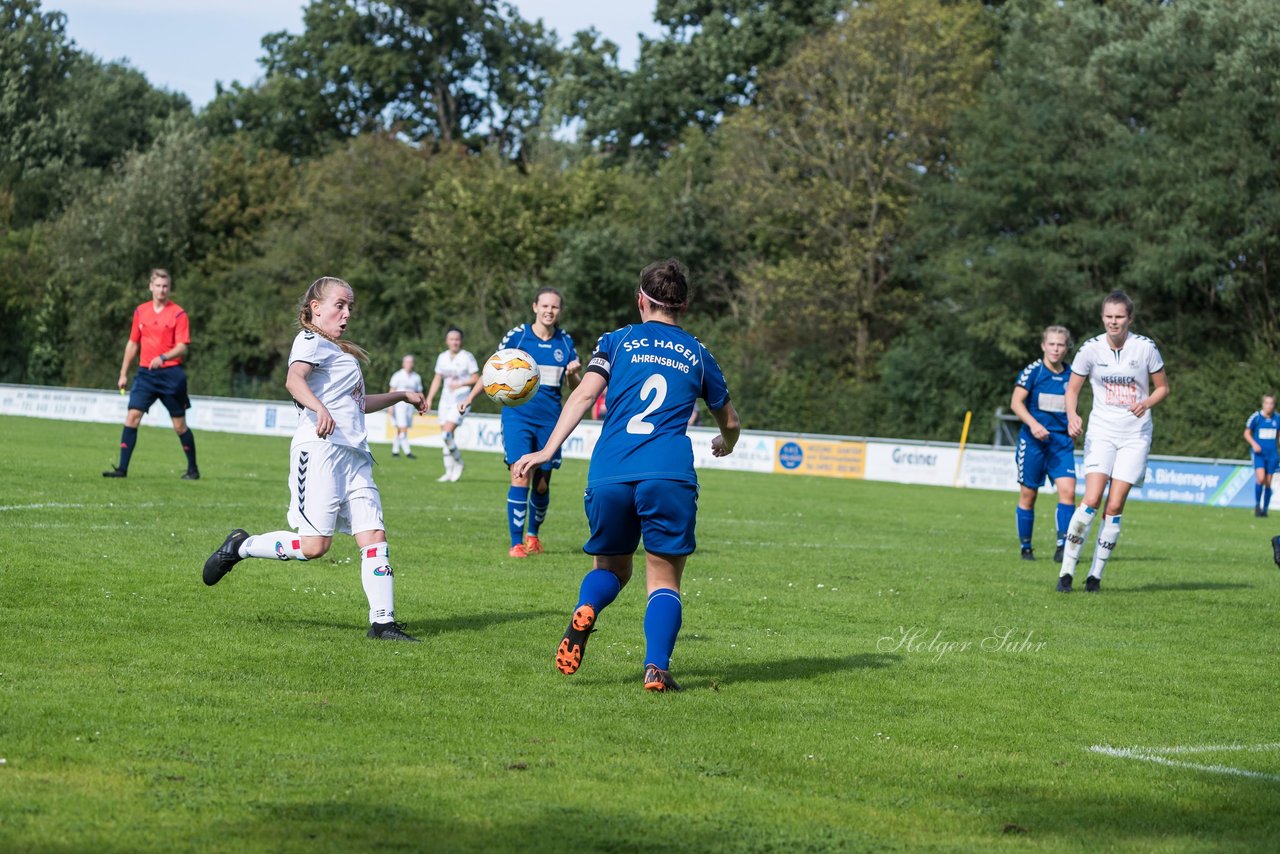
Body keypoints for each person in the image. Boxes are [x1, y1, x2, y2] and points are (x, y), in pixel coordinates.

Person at [513, 259, 741, 692]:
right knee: (663, 578)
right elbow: (728, 418)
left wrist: (546, 449)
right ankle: (656, 668)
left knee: (614, 568)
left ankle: (587, 607)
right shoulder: (697, 351)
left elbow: (583, 394)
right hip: (668, 474)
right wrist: (726, 442)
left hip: (611, 473)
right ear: (684, 306)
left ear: (641, 299)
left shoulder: (615, 341)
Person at [202, 276, 426, 642]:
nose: (347, 313)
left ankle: (383, 624)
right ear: (315, 308)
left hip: (355, 456)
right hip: (319, 451)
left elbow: (356, 405)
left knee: (374, 537)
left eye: (350, 306)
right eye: (340, 305)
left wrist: (401, 395)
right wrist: (318, 408)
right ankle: (241, 546)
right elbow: (294, 380)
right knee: (313, 547)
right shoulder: (309, 341)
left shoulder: (340, 353)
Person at [1057, 291, 1169, 593]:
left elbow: (1163, 388)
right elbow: (1072, 389)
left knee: (1115, 505)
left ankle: (1095, 576)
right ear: (1102, 317)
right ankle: (1066, 572)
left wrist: (1146, 403)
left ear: (1129, 318)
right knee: (1091, 499)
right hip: (1102, 432)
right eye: (1109, 316)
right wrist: (1072, 415)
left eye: (1119, 316)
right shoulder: (1090, 349)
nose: (1113, 322)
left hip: (1135, 435)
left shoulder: (1145, 348)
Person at [462, 288, 581, 558]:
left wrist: (574, 374)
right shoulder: (519, 336)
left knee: (541, 484)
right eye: (545, 306)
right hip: (518, 416)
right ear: (535, 307)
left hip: (551, 419)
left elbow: (575, 387)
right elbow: (492, 369)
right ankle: (516, 543)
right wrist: (470, 397)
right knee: (520, 474)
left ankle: (533, 536)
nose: (549, 311)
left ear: (559, 311)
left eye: (555, 307)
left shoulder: (565, 343)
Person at [103, 268, 200, 480]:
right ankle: (122, 469)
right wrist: (123, 373)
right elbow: (132, 343)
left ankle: (193, 469)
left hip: (171, 375)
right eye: (158, 285)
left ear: (169, 288)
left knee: (179, 425)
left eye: (165, 286)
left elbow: (183, 346)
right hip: (146, 374)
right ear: (150, 287)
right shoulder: (141, 312)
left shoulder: (178, 313)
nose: (161, 290)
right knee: (132, 416)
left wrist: (164, 357)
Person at [1009, 326, 1076, 562]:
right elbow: (1016, 403)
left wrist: (1075, 422)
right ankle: (1026, 547)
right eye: (1052, 344)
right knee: (1028, 495)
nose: (1056, 349)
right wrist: (1034, 424)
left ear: (1067, 347)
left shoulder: (1072, 375)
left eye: (1061, 344)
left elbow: (1072, 407)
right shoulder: (1033, 372)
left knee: (1068, 492)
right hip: (1034, 442)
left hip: (1061, 443)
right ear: (1043, 346)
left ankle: (1063, 547)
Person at [424, 327, 479, 482]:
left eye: (457, 339)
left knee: (446, 433)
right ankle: (449, 472)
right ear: (447, 341)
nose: (454, 342)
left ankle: (459, 463)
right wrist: (429, 399)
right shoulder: (442, 357)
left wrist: (461, 382)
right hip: (445, 400)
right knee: (446, 437)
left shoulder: (467, 356)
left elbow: (476, 377)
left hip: (461, 401)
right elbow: (437, 378)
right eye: (451, 339)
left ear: (460, 341)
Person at [1243, 394, 1279, 517]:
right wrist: (1254, 444)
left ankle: (1265, 510)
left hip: (1272, 455)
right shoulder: (1256, 417)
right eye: (1267, 403)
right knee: (1260, 478)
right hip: (1259, 454)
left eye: (1271, 403)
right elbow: (1247, 433)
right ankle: (1257, 505)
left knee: (1268, 482)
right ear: (1263, 404)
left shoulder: (1277, 418)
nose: (1269, 406)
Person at [387, 354, 424, 459]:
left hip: (410, 407)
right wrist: (390, 406)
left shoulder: (416, 377)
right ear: (403, 363)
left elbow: (419, 392)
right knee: (402, 428)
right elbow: (392, 391)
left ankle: (395, 451)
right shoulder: (397, 375)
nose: (409, 364)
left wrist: (422, 404)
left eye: (410, 362)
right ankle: (407, 452)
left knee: (401, 428)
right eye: (407, 362)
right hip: (399, 405)